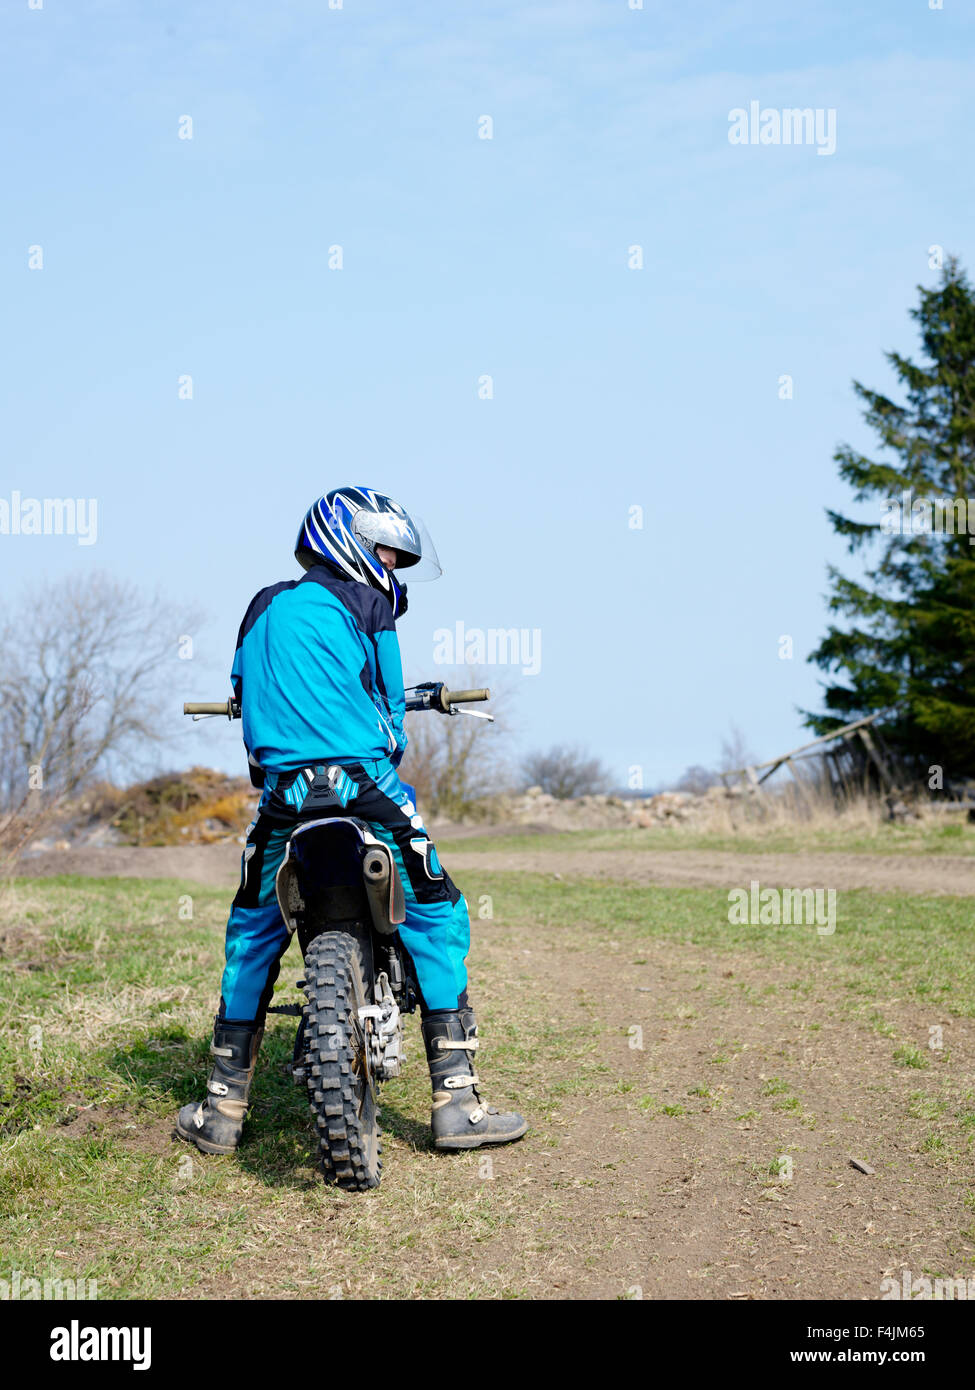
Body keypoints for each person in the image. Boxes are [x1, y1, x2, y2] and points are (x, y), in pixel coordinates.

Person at [176, 486, 527, 1158]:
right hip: (362, 787)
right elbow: (389, 718)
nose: (390, 569)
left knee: (251, 928)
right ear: (352, 541)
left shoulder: (260, 607)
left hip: (283, 797)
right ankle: (456, 1100)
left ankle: (222, 1106)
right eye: (386, 555)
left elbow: (242, 694)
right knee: (436, 911)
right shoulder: (368, 606)